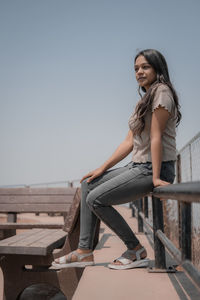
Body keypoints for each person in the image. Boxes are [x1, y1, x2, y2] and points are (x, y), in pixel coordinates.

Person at [52, 49, 181, 270]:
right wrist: (101, 169)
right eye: (136, 68)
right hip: (138, 165)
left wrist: (158, 177)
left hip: (153, 168)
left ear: (157, 68)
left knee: (96, 199)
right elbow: (128, 142)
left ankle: (135, 250)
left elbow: (156, 136)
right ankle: (84, 251)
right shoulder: (144, 100)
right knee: (87, 184)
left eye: (145, 67)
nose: (139, 72)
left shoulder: (162, 92)